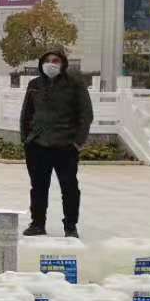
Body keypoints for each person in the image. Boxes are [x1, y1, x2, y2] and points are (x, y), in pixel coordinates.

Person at [19, 49, 94, 238]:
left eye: (55, 61)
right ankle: (37, 224)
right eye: (47, 61)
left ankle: (70, 226)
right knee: (38, 188)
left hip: (65, 146)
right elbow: (26, 113)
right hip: (38, 145)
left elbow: (86, 115)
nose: (51, 64)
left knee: (69, 188)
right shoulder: (34, 85)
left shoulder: (74, 84)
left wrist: (78, 142)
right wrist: (26, 140)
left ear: (63, 63)